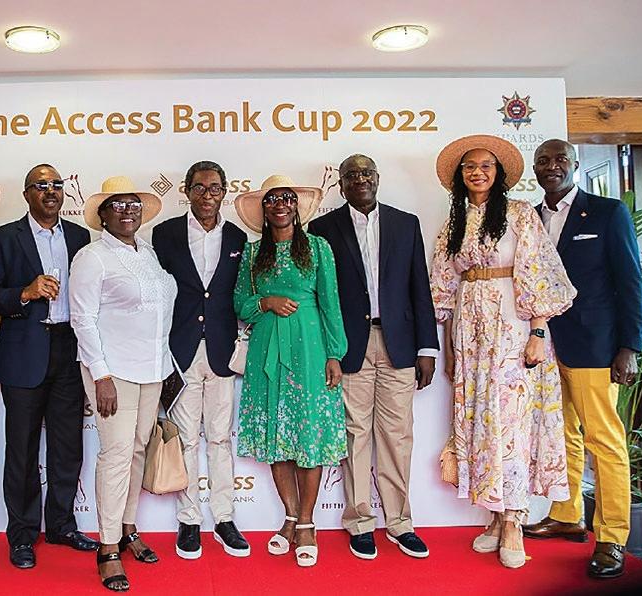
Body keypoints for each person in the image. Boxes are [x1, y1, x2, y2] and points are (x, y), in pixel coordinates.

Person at [430, 135, 576, 569]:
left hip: (513, 327)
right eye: (469, 167)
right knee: (482, 419)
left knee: (511, 420)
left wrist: (538, 332)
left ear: (499, 173)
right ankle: (494, 513)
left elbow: (537, 272)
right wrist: (449, 345)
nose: (477, 172)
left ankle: (514, 519)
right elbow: (444, 285)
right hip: (470, 332)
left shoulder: (519, 214)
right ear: (460, 176)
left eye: (486, 166)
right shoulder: (454, 223)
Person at [523, 139, 642, 579]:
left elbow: (630, 281)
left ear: (574, 165)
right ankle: (566, 513)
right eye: (543, 161)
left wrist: (630, 346)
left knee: (604, 441)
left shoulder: (608, 213)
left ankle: (612, 537)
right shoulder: (530, 217)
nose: (551, 167)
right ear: (535, 169)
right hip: (544, 346)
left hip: (595, 346)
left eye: (560, 160)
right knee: (561, 435)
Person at [309, 154, 438, 561]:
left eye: (366, 173)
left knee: (397, 436)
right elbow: (320, 297)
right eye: (351, 175)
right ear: (341, 184)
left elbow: (420, 288)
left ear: (377, 179)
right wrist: (328, 350)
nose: (360, 179)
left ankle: (400, 523)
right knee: (355, 434)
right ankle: (361, 522)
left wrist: (427, 348)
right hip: (350, 346)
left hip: (400, 343)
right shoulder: (323, 229)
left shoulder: (406, 223)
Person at [0, 164, 97, 569]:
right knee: (22, 450)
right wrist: (26, 293)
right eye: (41, 185)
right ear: (27, 194)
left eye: (56, 185)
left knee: (68, 447)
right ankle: (22, 534)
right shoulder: (3, 237)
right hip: (24, 353)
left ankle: (62, 525)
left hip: (69, 350)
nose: (50, 191)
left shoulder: (80, 237)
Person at [233, 174, 347, 568]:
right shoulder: (252, 253)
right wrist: (266, 302)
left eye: (287, 197)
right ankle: (290, 517)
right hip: (266, 349)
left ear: (296, 206)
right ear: (263, 209)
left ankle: (308, 523)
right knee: (276, 433)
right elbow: (240, 304)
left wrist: (335, 354)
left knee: (307, 432)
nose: (280, 204)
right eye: (272, 199)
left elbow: (330, 302)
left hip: (311, 348)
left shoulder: (318, 247)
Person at [69, 175, 176, 592]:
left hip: (152, 369)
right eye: (117, 204)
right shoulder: (92, 257)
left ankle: (128, 527)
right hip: (112, 372)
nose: (127, 211)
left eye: (133, 204)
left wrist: (166, 365)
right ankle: (108, 546)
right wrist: (101, 375)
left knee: (136, 451)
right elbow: (83, 319)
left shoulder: (146, 252)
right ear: (102, 215)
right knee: (115, 455)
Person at [151, 161, 250, 560]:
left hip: (222, 352)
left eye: (214, 188)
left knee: (221, 438)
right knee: (188, 438)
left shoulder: (238, 237)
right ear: (186, 191)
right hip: (182, 349)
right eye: (199, 188)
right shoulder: (164, 234)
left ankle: (224, 518)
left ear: (224, 191)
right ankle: (189, 519)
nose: (207, 195)